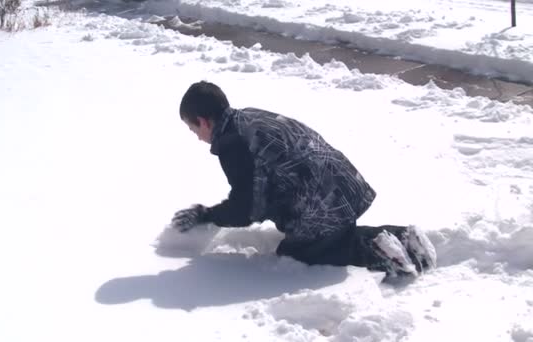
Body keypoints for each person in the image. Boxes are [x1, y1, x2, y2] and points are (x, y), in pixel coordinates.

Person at [169, 80, 437, 279]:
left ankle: (378, 252)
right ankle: (404, 236)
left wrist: (206, 214)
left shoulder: (233, 144)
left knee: (297, 254)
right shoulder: (249, 117)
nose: (196, 135)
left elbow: (247, 208)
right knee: (337, 234)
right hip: (345, 186)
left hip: (322, 204)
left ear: (204, 121)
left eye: (192, 128)